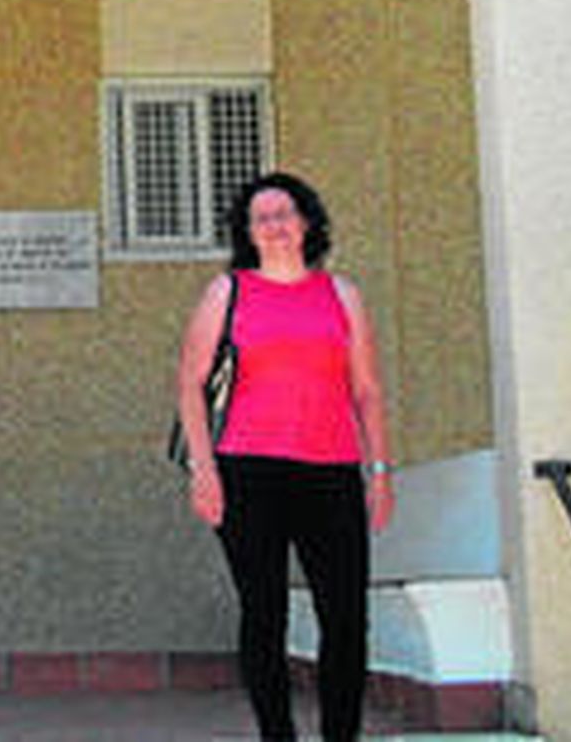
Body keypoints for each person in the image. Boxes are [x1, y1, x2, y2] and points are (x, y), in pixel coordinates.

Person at [176, 171, 395, 742]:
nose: (274, 225)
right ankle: (278, 736)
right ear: (248, 232)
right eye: (261, 217)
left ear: (306, 222)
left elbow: (366, 389)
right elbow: (190, 385)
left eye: (284, 213)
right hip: (248, 473)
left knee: (346, 620)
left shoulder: (341, 294)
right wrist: (204, 471)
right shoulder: (228, 293)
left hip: (332, 473)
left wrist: (379, 471)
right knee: (264, 614)